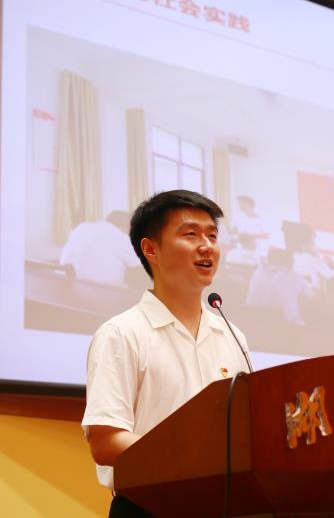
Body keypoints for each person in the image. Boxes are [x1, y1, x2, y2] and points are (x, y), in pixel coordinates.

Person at [81, 190, 251, 517]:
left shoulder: (231, 335)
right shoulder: (122, 333)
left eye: (212, 236)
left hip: (221, 506)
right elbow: (105, 442)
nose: (207, 246)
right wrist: (194, 458)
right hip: (148, 508)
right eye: (191, 234)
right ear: (150, 249)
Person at [59, 211, 140, 287]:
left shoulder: (81, 227)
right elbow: (140, 263)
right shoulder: (120, 237)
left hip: (64, 286)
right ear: (127, 226)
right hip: (100, 292)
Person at [246, 247, 312, 324]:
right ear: (290, 262)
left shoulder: (257, 273)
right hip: (284, 325)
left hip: (253, 321)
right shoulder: (294, 277)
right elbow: (310, 295)